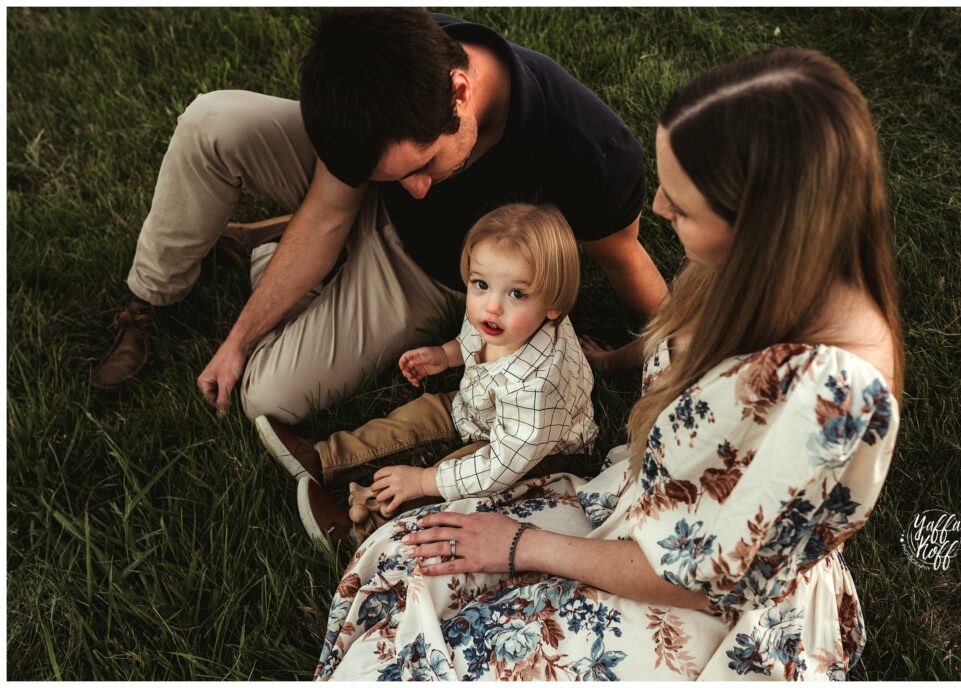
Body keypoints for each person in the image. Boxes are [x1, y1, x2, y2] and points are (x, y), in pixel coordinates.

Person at [311, 46, 904, 681]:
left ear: (760, 223)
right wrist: (624, 358)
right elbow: (683, 344)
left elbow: (706, 583)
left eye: (683, 204)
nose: (662, 212)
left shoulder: (831, 399)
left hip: (707, 600)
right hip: (634, 507)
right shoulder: (740, 269)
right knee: (405, 560)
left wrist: (520, 547)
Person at [89, 8, 668, 421]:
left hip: (427, 267)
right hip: (354, 196)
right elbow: (327, 213)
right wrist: (238, 340)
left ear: (460, 92)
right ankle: (151, 298)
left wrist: (682, 342)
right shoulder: (392, 55)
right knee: (210, 123)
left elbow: (626, 262)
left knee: (267, 396)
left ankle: (277, 252)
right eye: (399, 174)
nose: (418, 190)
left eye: (425, 166)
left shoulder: (590, 151)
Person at [255, 203, 598, 551]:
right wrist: (446, 354)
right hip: (484, 406)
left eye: (517, 294)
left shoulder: (537, 388)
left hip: (529, 453)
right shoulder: (502, 321)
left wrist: (423, 480)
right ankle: (326, 457)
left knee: (454, 474)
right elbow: (473, 337)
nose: (491, 306)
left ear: (554, 305)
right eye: (480, 284)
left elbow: (497, 467)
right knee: (421, 413)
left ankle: (360, 531)